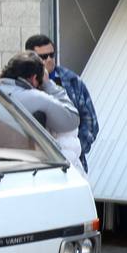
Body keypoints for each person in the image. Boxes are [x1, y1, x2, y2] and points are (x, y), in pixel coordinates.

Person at [0, 51, 119, 253]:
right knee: (75, 252)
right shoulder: (35, 97)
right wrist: (51, 86)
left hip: (7, 190)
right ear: (34, 77)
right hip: (45, 185)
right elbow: (71, 118)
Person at [25, 34, 99, 172]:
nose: (49, 60)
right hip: (35, 165)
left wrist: (74, 149)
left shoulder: (72, 81)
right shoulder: (23, 85)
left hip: (71, 164)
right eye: (43, 57)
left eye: (51, 55)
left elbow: (90, 122)